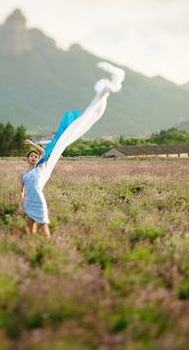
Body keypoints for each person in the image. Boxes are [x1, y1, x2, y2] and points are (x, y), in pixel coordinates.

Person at [17, 62, 125, 237]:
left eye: (35, 156)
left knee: (43, 223)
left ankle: (46, 242)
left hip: (38, 200)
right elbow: (21, 191)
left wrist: (32, 144)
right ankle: (33, 244)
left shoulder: (42, 165)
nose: (33, 158)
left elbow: (44, 152)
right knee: (30, 224)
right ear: (27, 160)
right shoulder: (25, 175)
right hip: (29, 201)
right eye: (31, 157)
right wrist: (20, 205)